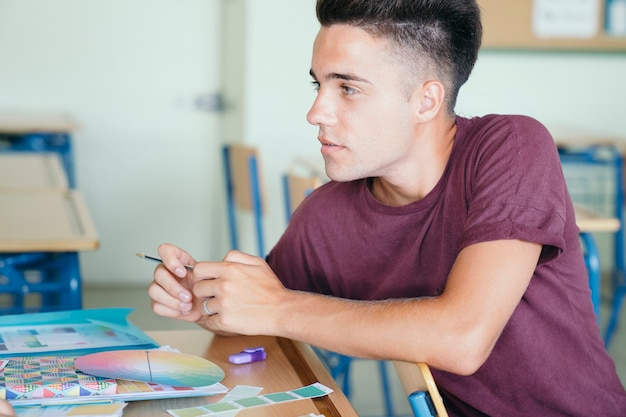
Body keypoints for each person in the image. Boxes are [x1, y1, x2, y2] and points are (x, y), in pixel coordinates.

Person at [148, 0, 626, 415]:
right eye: (317, 85)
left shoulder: (512, 146)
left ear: (425, 100)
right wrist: (208, 299)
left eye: (348, 88)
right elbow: (262, 312)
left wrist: (274, 307)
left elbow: (461, 338)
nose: (316, 111)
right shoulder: (326, 215)